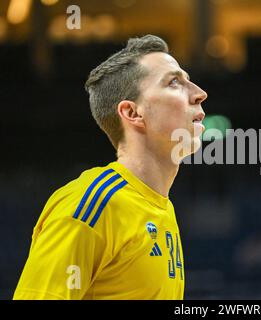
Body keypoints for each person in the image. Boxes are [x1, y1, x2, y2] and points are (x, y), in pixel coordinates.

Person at [13, 34, 207, 299]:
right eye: (174, 82)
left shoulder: (159, 206)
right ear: (132, 113)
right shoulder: (90, 204)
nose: (199, 93)